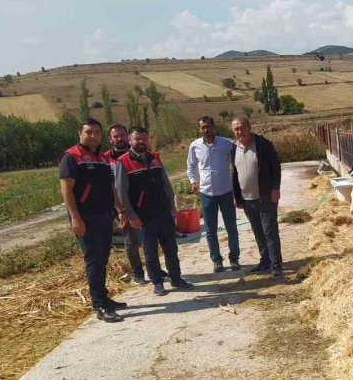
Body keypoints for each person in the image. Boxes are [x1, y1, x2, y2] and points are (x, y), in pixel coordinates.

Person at [59, 117, 128, 322]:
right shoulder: (72, 157)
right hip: (85, 217)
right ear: (80, 133)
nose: (93, 136)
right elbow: (66, 189)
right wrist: (75, 218)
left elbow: (110, 187)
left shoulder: (101, 158)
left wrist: (119, 209)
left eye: (97, 132)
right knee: (93, 261)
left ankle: (104, 297)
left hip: (104, 214)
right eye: (89, 132)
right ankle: (99, 305)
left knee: (103, 258)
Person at [115, 127, 194, 296]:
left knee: (171, 248)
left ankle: (176, 278)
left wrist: (172, 205)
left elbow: (165, 182)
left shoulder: (155, 157)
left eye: (144, 138)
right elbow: (121, 192)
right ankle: (157, 282)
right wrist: (131, 214)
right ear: (130, 140)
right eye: (137, 139)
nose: (141, 142)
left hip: (163, 212)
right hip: (143, 216)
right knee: (150, 252)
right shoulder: (123, 162)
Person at [230, 117, 284, 278]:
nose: (240, 131)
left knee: (270, 231)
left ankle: (276, 264)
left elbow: (276, 167)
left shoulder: (262, 144)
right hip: (247, 199)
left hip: (265, 196)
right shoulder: (234, 148)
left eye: (242, 127)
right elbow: (235, 173)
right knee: (258, 232)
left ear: (249, 127)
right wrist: (236, 196)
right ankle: (265, 261)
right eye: (236, 129)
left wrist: (275, 188)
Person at [187, 115, 240, 273]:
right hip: (206, 193)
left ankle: (234, 258)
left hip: (226, 191)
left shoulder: (226, 144)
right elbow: (190, 166)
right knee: (210, 230)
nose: (206, 130)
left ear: (213, 127)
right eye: (203, 127)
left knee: (231, 227)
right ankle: (216, 260)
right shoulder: (195, 146)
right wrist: (193, 181)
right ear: (200, 129)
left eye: (208, 126)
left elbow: (236, 163)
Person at [101, 124, 145, 284]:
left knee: (149, 239)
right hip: (122, 207)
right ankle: (138, 272)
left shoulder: (137, 152)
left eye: (122, 135)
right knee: (130, 241)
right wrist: (120, 209)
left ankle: (155, 268)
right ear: (110, 139)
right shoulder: (105, 159)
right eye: (115, 136)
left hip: (143, 203)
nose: (119, 139)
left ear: (127, 136)